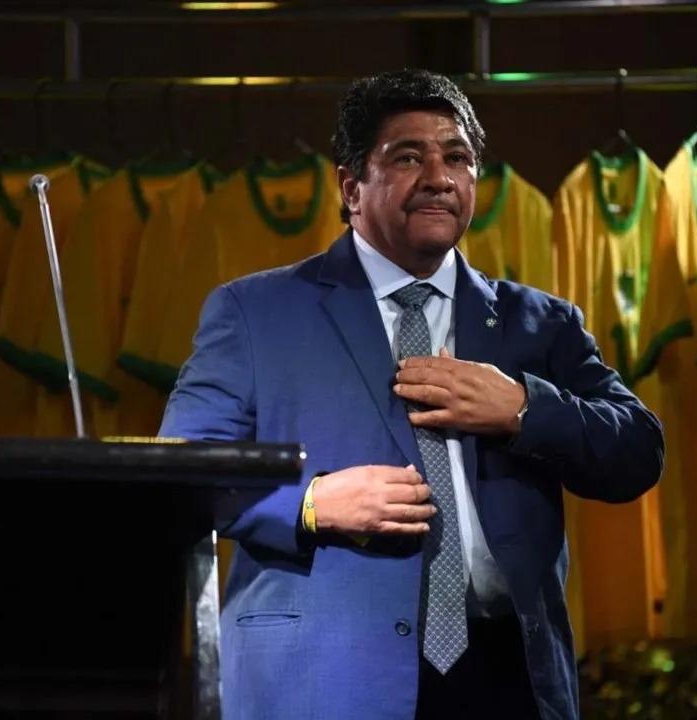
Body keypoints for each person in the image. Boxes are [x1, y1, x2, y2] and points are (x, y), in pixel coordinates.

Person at [160, 69, 664, 720]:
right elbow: (181, 472)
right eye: (407, 157)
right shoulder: (256, 312)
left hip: (507, 678)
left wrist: (522, 409)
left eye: (457, 157)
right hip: (327, 679)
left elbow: (638, 451)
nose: (438, 177)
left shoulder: (540, 324)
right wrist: (312, 504)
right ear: (351, 187)